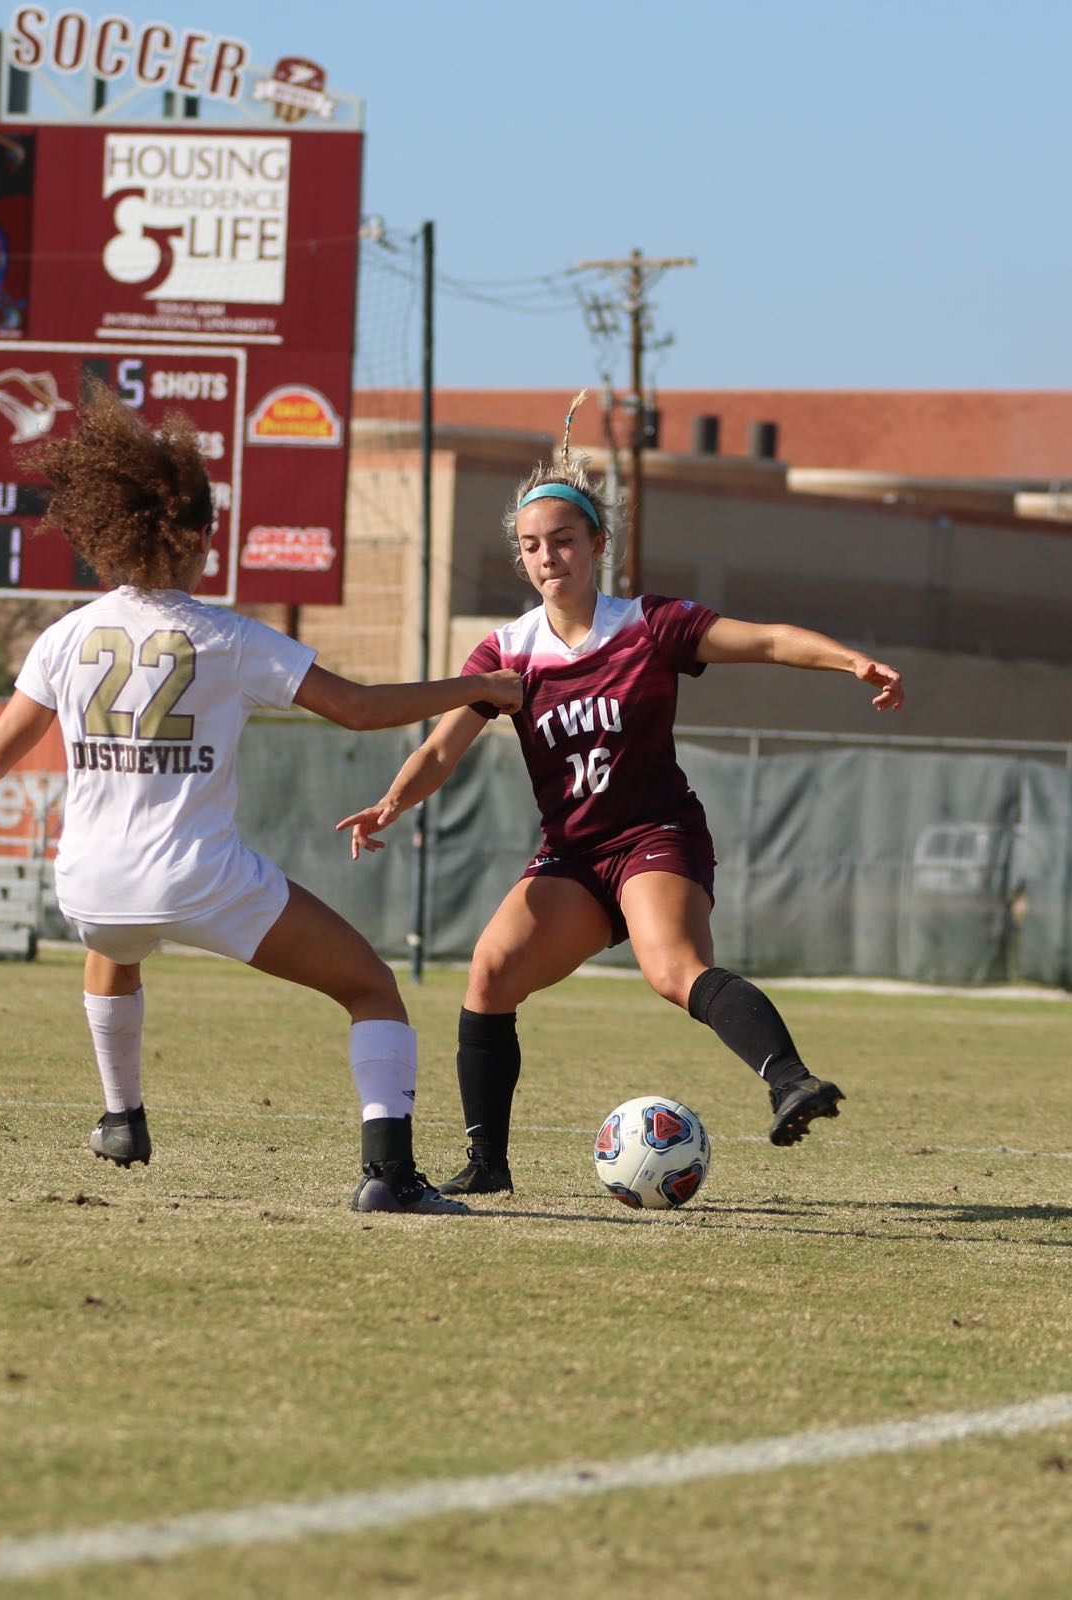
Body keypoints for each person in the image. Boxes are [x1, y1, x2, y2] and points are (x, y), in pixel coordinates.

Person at [0, 384, 522, 1214]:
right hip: (196, 878)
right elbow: (358, 710)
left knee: (116, 941)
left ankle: (121, 1116)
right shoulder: (229, 637)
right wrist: (482, 686)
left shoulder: (64, 636)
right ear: (199, 534)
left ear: (113, 530)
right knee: (370, 988)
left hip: (88, 887)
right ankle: (390, 1178)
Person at [336, 392, 905, 1197]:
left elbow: (770, 640)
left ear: (597, 543)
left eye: (563, 540)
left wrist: (852, 662)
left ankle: (791, 1082)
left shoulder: (650, 625)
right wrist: (394, 800)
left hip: (654, 835)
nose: (547, 557)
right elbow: (441, 745)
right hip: (572, 856)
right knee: (490, 974)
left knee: (673, 969)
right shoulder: (507, 656)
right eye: (532, 546)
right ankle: (487, 1165)